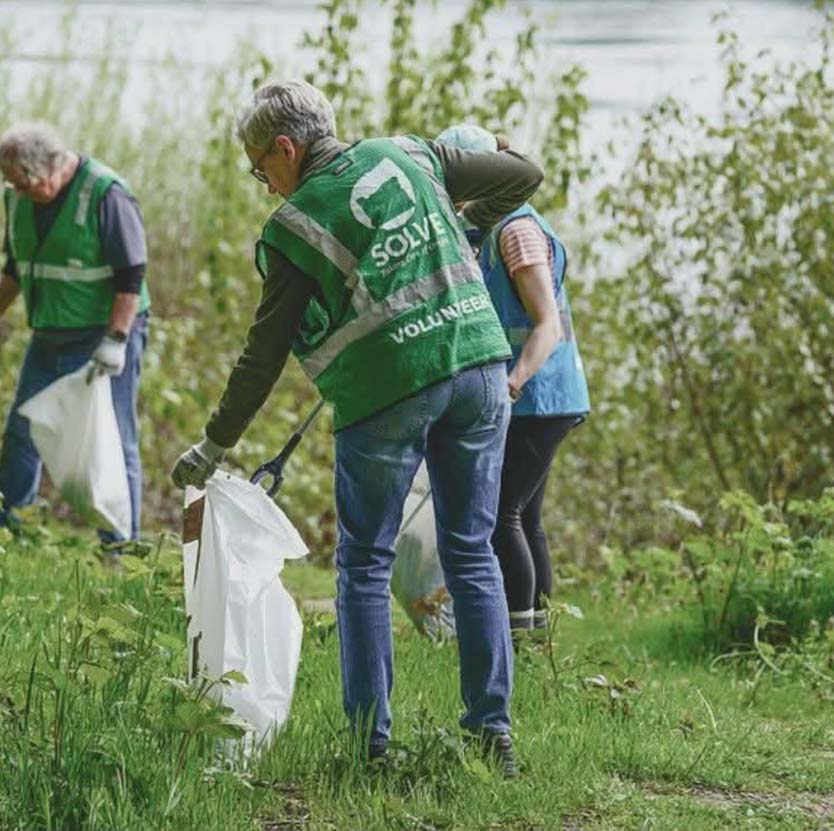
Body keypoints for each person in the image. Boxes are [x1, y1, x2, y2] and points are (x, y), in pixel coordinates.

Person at [170, 81, 544, 775]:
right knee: (471, 551)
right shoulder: (412, 154)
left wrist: (214, 444)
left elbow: (262, 356)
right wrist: (467, 227)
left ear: (286, 148)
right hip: (479, 367)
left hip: (387, 393)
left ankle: (373, 747)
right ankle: (493, 736)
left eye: (261, 168)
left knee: (365, 563)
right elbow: (524, 173)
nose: (265, 184)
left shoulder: (294, 225)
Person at [0, 123, 151, 545]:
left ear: (52, 168)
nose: (19, 193)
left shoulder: (106, 194)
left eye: (25, 184)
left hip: (105, 333)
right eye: (12, 185)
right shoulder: (18, 198)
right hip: (50, 332)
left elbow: (132, 273)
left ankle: (121, 548)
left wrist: (116, 339)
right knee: (22, 430)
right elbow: (17, 266)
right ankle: (5, 532)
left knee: (114, 440)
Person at [436, 124, 591, 633]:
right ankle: (538, 637)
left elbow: (546, 325)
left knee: (502, 512)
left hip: (538, 397)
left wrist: (512, 382)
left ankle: (517, 637)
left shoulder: (516, 231)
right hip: (544, 396)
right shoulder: (492, 227)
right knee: (525, 516)